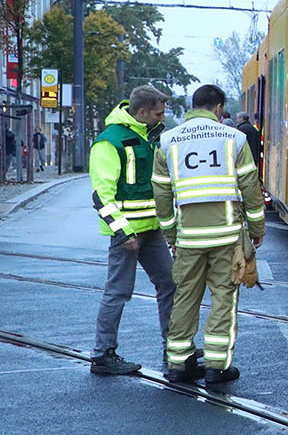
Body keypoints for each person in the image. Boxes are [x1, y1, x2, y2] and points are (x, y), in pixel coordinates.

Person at [153, 84, 264, 385]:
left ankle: (179, 363)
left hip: (188, 238)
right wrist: (256, 230)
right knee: (223, 298)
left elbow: (161, 195)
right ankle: (217, 366)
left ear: (193, 106)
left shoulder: (168, 142)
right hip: (226, 237)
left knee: (185, 297)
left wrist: (171, 234)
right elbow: (251, 189)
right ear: (218, 108)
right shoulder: (235, 139)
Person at [89, 87, 178, 376]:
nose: (162, 117)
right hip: (127, 234)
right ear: (142, 113)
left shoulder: (148, 136)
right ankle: (103, 355)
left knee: (170, 283)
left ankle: (174, 346)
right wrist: (124, 232)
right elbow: (101, 196)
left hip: (151, 230)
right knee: (118, 291)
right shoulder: (109, 142)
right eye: (158, 113)